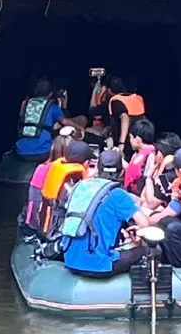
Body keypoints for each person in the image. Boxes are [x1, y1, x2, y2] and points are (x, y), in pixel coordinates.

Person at [59, 150, 153, 278]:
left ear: (97, 169)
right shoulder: (118, 194)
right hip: (99, 265)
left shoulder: (80, 186)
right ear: (121, 173)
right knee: (149, 251)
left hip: (70, 259)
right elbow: (145, 223)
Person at [18, 126, 76, 238]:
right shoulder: (76, 172)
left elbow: (33, 199)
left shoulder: (42, 169)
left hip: (40, 226)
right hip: (61, 227)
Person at [38, 140, 96, 240]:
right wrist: (89, 180)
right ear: (86, 163)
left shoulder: (58, 172)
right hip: (56, 234)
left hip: (45, 226)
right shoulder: (71, 185)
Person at [15, 79, 80, 160]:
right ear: (51, 93)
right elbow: (64, 121)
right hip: (42, 152)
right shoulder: (52, 106)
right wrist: (80, 127)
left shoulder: (26, 104)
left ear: (35, 91)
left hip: (21, 151)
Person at [142, 132, 181, 211]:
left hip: (170, 218)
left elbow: (150, 204)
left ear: (160, 153)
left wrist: (149, 177)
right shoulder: (164, 170)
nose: (153, 153)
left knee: (145, 209)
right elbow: (142, 199)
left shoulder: (169, 176)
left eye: (155, 151)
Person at [107, 75, 145, 154]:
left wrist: (121, 144)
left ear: (109, 90)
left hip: (128, 143)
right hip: (140, 140)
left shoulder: (116, 101)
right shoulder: (137, 98)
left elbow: (125, 118)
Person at [121, 117, 157, 195]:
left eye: (130, 138)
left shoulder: (151, 156)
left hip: (140, 195)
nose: (130, 141)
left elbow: (147, 178)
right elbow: (132, 170)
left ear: (138, 139)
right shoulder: (137, 154)